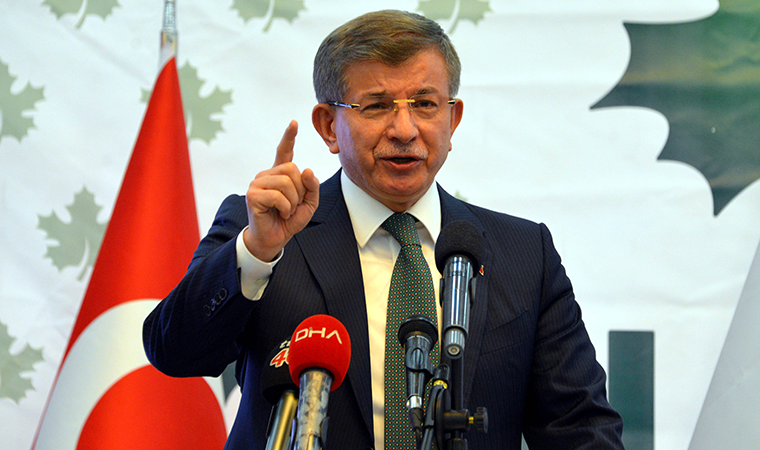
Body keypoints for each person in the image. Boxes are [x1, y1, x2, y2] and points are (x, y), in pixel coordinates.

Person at [143, 9, 624, 450]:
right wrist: (256, 253)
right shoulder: (267, 230)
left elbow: (579, 428)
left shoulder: (523, 254)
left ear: (453, 119)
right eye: (376, 106)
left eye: (425, 104)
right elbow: (176, 352)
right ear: (328, 126)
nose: (405, 129)